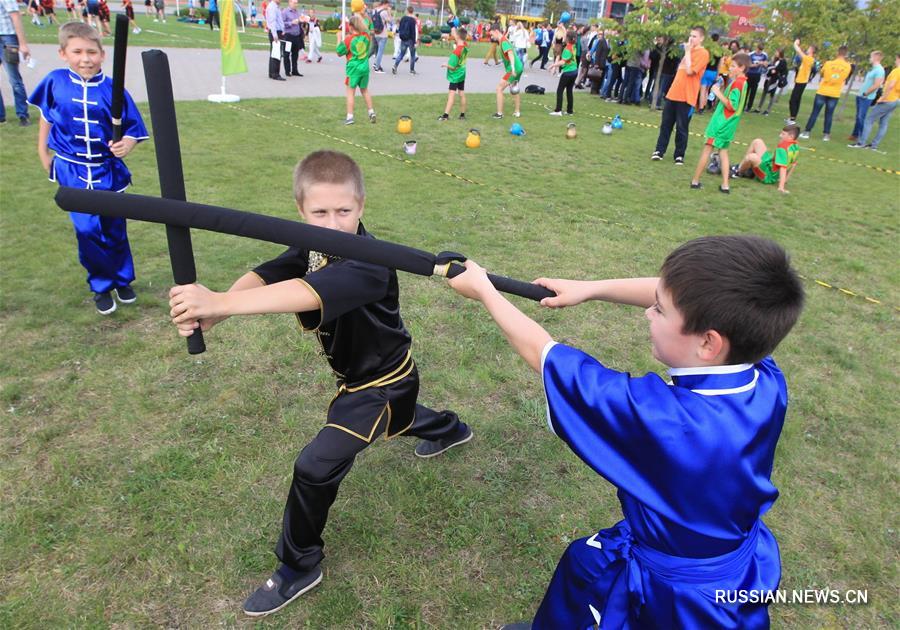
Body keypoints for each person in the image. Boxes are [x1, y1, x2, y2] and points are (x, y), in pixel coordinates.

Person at [167, 150, 473, 618]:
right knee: (405, 419)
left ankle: (298, 565)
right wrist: (221, 306)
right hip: (376, 381)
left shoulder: (371, 264)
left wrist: (221, 305)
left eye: (343, 211)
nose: (332, 224)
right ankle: (450, 429)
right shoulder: (314, 245)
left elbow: (304, 291)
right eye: (319, 213)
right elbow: (273, 271)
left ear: (362, 206)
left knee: (315, 467)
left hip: (381, 386)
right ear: (301, 212)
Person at [447, 234, 803, 630]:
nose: (648, 312)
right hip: (733, 561)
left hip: (677, 597)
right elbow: (673, 290)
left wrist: (484, 291)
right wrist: (590, 289)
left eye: (660, 310)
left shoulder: (666, 420)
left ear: (708, 342)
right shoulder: (763, 375)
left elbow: (547, 357)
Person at [27, 22, 148, 314]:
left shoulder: (112, 89)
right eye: (77, 51)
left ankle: (122, 279)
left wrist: (128, 144)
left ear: (103, 55)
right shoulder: (55, 81)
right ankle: (101, 285)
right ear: (63, 53)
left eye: (91, 52)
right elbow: (47, 115)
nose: (85, 58)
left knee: (115, 229)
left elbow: (134, 128)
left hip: (108, 172)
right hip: (72, 171)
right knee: (87, 231)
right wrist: (42, 150)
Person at [691, 52, 750, 193]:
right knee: (723, 152)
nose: (730, 69)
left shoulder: (738, 84)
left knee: (707, 149)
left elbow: (732, 105)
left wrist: (717, 93)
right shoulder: (744, 83)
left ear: (741, 68)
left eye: (733, 66)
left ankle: (695, 181)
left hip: (721, 123)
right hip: (729, 124)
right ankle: (725, 185)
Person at [651, 26, 709, 165]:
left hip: (687, 96)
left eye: (694, 36)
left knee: (682, 127)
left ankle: (679, 155)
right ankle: (659, 150)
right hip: (673, 94)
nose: (691, 39)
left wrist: (688, 52)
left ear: (701, 38)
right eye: (691, 35)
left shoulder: (703, 53)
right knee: (666, 124)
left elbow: (690, 71)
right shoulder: (688, 52)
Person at [850, 53, 900, 151]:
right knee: (884, 123)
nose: (895, 61)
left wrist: (882, 98)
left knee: (869, 120)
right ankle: (874, 145)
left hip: (888, 99)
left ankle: (861, 143)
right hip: (896, 99)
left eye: (896, 59)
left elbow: (891, 86)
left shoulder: (896, 71)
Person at [799, 45, 851, 141]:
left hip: (823, 90)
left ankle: (807, 132)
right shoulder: (848, 66)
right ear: (846, 54)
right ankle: (826, 135)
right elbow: (844, 78)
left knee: (815, 112)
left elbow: (822, 73)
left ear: (837, 53)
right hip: (835, 92)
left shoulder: (829, 63)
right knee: (829, 114)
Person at [731, 125, 800, 194]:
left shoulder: (783, 147)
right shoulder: (796, 146)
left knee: (751, 157)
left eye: (783, 134)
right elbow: (793, 164)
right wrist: (785, 180)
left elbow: (783, 167)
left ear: (791, 137)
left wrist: (781, 187)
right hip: (769, 165)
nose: (780, 135)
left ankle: (738, 173)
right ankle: (740, 167)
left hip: (768, 175)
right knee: (757, 141)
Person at [337, 15, 375, 125]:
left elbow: (339, 52)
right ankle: (371, 112)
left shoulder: (349, 39)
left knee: (350, 92)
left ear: (351, 26)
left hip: (353, 69)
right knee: (364, 90)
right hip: (364, 68)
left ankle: (349, 117)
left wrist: (339, 38)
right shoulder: (366, 36)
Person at [0, 0, 32, 126]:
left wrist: (23, 43)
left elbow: (16, 17)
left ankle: (22, 115)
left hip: (7, 37)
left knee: (14, 79)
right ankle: (1, 117)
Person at [848, 50, 884, 143]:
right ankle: (855, 134)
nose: (869, 58)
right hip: (861, 95)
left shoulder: (879, 70)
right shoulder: (873, 69)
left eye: (871, 57)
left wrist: (866, 93)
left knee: (861, 117)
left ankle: (861, 137)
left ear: (876, 57)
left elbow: (876, 85)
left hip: (867, 97)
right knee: (858, 116)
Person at [492, 22, 522, 119]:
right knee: (514, 88)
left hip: (513, 69)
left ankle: (499, 114)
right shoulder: (503, 39)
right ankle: (517, 112)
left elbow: (510, 53)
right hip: (518, 67)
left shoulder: (504, 41)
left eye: (492, 34)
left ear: (496, 31)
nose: (492, 37)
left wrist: (512, 67)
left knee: (499, 88)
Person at [437, 26, 467, 121]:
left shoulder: (456, 51)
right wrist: (454, 30)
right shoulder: (465, 46)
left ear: (458, 36)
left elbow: (452, 67)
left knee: (451, 94)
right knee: (461, 93)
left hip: (455, 75)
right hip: (462, 73)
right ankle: (462, 115)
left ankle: (445, 116)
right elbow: (458, 37)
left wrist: (445, 65)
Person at [548, 30, 577, 116]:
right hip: (574, 71)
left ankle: (558, 110)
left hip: (568, 72)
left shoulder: (568, 49)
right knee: (569, 91)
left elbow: (563, 62)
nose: (564, 37)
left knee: (560, 91)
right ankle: (569, 111)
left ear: (568, 38)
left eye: (565, 36)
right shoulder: (573, 46)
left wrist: (553, 65)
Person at [787, 39, 816, 124]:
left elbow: (798, 50)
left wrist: (796, 43)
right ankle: (792, 117)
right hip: (800, 81)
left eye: (809, 48)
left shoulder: (809, 59)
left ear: (812, 50)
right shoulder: (807, 59)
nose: (807, 49)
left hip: (801, 82)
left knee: (793, 100)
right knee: (796, 99)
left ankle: (792, 119)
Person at [758, 48, 787, 115]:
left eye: (777, 52)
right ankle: (759, 108)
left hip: (774, 80)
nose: (776, 53)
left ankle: (768, 110)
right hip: (769, 78)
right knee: (764, 92)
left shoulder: (783, 62)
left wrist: (772, 69)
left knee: (772, 94)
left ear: (780, 53)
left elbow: (776, 71)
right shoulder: (775, 60)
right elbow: (771, 69)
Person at [697, 33, 721, 114]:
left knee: (702, 90)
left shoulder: (708, 50)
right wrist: (717, 75)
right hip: (713, 72)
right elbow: (719, 64)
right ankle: (704, 105)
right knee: (707, 89)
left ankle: (701, 108)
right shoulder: (719, 51)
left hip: (706, 71)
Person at [281, 0, 304, 77]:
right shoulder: (285, 12)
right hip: (288, 36)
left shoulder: (297, 12)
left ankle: (295, 70)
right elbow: (282, 24)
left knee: (295, 54)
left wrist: (301, 20)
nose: (296, 4)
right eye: (294, 3)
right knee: (287, 54)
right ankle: (287, 71)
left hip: (296, 36)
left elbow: (299, 22)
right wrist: (291, 23)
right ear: (289, 2)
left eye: (297, 3)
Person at [391, 6, 416, 75]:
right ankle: (412, 70)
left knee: (401, 54)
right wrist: (414, 41)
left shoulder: (403, 18)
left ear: (407, 11)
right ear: (413, 11)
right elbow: (413, 31)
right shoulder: (413, 20)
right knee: (412, 55)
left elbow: (400, 28)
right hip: (410, 39)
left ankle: (395, 65)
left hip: (403, 38)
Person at [265, 0, 285, 80]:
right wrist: (275, 35)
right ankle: (275, 74)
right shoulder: (272, 7)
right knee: (277, 53)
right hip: (275, 32)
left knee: (273, 53)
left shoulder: (275, 6)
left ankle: (271, 72)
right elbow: (272, 21)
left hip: (276, 32)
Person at [744, 42, 767, 112]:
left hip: (757, 74)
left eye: (761, 50)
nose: (759, 52)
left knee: (753, 91)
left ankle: (749, 107)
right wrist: (756, 64)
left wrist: (762, 63)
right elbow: (748, 65)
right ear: (756, 48)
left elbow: (766, 64)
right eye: (759, 50)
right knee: (746, 90)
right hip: (750, 73)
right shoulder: (751, 54)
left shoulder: (764, 55)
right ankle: (743, 105)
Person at [370, 0, 390, 73]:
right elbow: (390, 21)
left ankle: (376, 64)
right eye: (388, 5)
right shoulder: (384, 12)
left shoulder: (374, 11)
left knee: (377, 50)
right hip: (383, 34)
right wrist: (389, 12)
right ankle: (377, 67)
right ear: (385, 4)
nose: (388, 6)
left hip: (376, 33)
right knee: (380, 52)